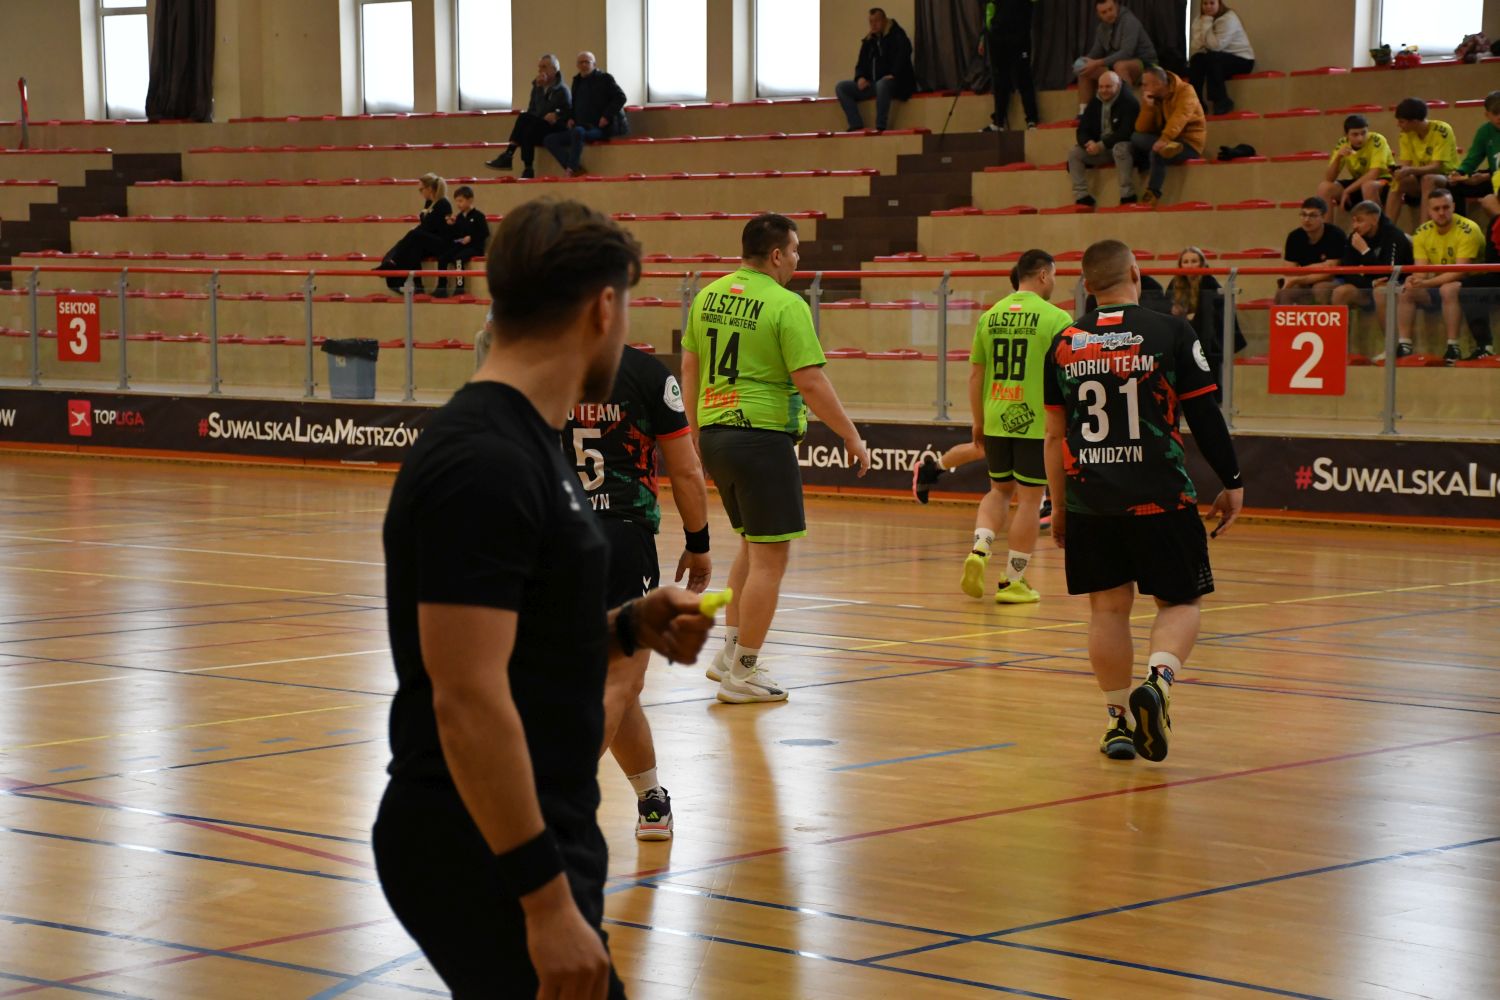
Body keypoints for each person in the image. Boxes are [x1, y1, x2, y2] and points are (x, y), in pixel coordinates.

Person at [374, 199, 715, 997]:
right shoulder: (483, 460)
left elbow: (520, 646)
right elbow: (466, 699)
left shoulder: (526, 439)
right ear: (604, 309)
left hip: (528, 832)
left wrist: (629, 624)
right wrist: (544, 901)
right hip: (485, 847)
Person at [1043, 238, 1244, 763]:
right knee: (1180, 601)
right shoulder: (1171, 331)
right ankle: (1158, 681)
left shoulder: (1064, 342)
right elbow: (1205, 415)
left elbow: (1054, 437)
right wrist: (1232, 480)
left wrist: (1059, 507)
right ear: (1136, 272)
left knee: (1108, 610)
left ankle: (1117, 722)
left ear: (1086, 285)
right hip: (1161, 498)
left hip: (1091, 502)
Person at [682, 213, 871, 704]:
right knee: (771, 560)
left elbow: (690, 366)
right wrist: (851, 435)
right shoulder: (787, 304)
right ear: (775, 255)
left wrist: (696, 431)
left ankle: (729, 655)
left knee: (751, 547)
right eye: (795, 250)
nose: (797, 259)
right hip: (761, 439)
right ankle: (744, 673)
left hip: (716, 434)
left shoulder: (708, 296)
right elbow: (811, 381)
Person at [565, 345, 712, 841]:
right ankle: (554, 802)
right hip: (621, 539)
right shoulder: (647, 373)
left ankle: (651, 799)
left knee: (615, 686)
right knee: (618, 683)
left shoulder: (543, 363)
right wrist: (699, 544)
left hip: (555, 538)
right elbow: (686, 470)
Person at [961, 250, 1075, 604]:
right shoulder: (1057, 318)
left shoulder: (990, 316)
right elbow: (1067, 375)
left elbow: (976, 374)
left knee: (998, 491)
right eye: (1053, 276)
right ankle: (1013, 581)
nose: (1054, 282)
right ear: (1042, 275)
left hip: (996, 417)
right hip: (1036, 423)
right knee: (1030, 500)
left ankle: (980, 548)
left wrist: (978, 420)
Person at [1397, 188, 1489, 364]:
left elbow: (1461, 271)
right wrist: (1415, 280)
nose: (1441, 212)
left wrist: (1427, 282)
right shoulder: (1421, 232)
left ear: (1453, 206)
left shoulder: (1468, 229)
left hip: (1474, 287)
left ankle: (1453, 347)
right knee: (1406, 291)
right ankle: (1404, 346)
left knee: (1448, 289)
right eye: (1436, 208)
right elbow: (1421, 271)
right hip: (1437, 284)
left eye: (1446, 207)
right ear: (1429, 211)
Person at [1330, 200, 1414, 358]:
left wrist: (1365, 251)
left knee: (1381, 291)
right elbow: (1348, 272)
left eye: (1360, 220)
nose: (1355, 226)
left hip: (1399, 288)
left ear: (1374, 219)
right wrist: (1370, 282)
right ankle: (1340, 350)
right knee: (1340, 292)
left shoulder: (1394, 236)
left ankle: (1392, 348)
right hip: (1370, 285)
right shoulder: (1354, 238)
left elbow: (1389, 273)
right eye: (1353, 221)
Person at [544, 51, 629, 177]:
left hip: (600, 128)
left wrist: (606, 116)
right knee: (549, 139)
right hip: (580, 127)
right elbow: (574, 104)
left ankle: (571, 170)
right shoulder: (577, 81)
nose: (584, 65)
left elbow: (621, 97)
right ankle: (575, 168)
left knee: (578, 131)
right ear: (577, 65)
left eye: (587, 62)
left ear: (594, 64)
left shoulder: (605, 78)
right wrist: (571, 118)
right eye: (581, 62)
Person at [1132, 66, 1207, 206]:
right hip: (1168, 140)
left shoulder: (1186, 91)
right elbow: (1141, 128)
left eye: (1145, 84)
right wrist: (1148, 107)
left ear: (1158, 84)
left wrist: (1164, 139)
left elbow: (1180, 118)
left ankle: (1153, 193)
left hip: (1189, 143)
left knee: (1157, 153)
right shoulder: (1154, 97)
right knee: (1136, 137)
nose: (1142, 88)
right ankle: (1167, 148)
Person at [485, 54, 570, 179]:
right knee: (527, 126)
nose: (540, 70)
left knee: (526, 120)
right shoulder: (537, 87)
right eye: (539, 67)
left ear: (554, 69)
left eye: (544, 67)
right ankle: (527, 168)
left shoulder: (561, 90)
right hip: (539, 125)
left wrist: (539, 89)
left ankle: (509, 154)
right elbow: (532, 110)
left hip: (555, 127)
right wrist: (538, 89)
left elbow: (546, 111)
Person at [835, 7, 916, 133]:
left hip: (896, 82)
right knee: (842, 87)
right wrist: (860, 77)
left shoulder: (897, 35)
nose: (873, 24)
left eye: (876, 21)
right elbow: (860, 64)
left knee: (882, 84)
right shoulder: (869, 41)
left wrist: (894, 73)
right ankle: (856, 124)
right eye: (871, 22)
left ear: (884, 21)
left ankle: (880, 127)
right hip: (873, 83)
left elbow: (904, 54)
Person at [1068, 69, 1141, 206]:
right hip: (1102, 148)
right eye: (1101, 87)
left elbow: (1126, 132)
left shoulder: (1129, 102)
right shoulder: (1095, 102)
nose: (1103, 90)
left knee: (1120, 148)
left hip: (1126, 148)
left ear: (1118, 86)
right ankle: (1082, 196)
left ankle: (1127, 195)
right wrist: (1088, 142)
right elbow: (1082, 129)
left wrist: (1101, 145)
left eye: (1108, 86)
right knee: (1075, 153)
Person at [1385, 98, 1459, 226]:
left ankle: (1423, 229)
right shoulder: (1405, 135)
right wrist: (1398, 172)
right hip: (1418, 177)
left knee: (1428, 179)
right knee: (1398, 181)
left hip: (1447, 177)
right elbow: (1406, 164)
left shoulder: (1442, 130)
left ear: (1414, 122)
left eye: (1401, 121)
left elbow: (1436, 167)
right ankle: (1387, 229)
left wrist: (1410, 170)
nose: (1398, 125)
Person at [1075, 0, 1156, 115]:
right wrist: (1083, 62)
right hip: (1115, 65)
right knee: (1085, 70)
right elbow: (1095, 52)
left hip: (1145, 64)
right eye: (1104, 12)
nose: (1108, 14)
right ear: (1098, 14)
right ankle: (1084, 113)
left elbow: (1126, 53)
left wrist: (1096, 63)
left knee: (1120, 65)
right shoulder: (1101, 29)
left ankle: (1127, 110)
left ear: (1117, 6)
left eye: (1110, 9)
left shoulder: (1129, 21)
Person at [376, 173, 452, 294]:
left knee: (413, 235)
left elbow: (431, 227)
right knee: (412, 247)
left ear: (429, 188)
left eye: (421, 189)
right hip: (429, 240)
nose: (420, 193)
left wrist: (418, 230)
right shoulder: (429, 203)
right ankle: (415, 283)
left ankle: (392, 262)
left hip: (442, 243)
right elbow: (425, 226)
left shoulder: (443, 203)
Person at [1316, 114, 1395, 224]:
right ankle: (1328, 231)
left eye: (1363, 133)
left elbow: (1374, 174)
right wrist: (1338, 157)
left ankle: (1381, 228)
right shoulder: (1343, 143)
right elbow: (1329, 178)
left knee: (1368, 186)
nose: (1360, 138)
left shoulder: (1377, 140)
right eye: (1355, 134)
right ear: (1346, 135)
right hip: (1359, 182)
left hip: (1384, 181)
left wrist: (1348, 190)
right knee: (1324, 188)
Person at [979, 0, 1041, 132]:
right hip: (997, 37)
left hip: (1020, 36)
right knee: (1000, 79)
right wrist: (985, 35)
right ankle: (998, 122)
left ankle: (1032, 120)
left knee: (1024, 77)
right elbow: (989, 8)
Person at [1187, 0, 1254, 116]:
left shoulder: (1228, 18)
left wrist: (1207, 23)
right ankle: (1197, 103)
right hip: (1218, 57)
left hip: (1243, 60)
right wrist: (1205, 24)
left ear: (1219, 4)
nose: (1208, 7)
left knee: (1213, 58)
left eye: (1212, 3)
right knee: (1197, 59)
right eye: (1205, 4)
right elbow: (1196, 45)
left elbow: (1216, 46)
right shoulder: (1199, 20)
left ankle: (1222, 101)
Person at [1275, 197, 1346, 305]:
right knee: (1285, 292)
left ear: (1323, 217)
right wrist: (1319, 267)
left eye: (1312, 215)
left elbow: (1329, 272)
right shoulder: (1294, 236)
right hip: (1305, 279)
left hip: (1335, 280)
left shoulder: (1335, 234)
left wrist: (1298, 276)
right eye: (1303, 214)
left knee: (1320, 288)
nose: (1307, 219)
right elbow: (1289, 270)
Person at [1447, 90, 1500, 218]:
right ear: (1487, 115)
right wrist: (1460, 172)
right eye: (1495, 113)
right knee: (1454, 186)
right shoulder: (1485, 131)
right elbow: (1472, 159)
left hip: (1494, 177)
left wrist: (1487, 176)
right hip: (1493, 179)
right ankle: (1460, 225)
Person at [435, 185, 490, 299]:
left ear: (470, 200)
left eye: (461, 201)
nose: (458, 204)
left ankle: (460, 288)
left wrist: (471, 238)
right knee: (442, 258)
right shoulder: (459, 217)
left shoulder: (478, 216)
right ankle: (441, 288)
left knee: (458, 259)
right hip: (461, 246)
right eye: (456, 201)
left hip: (475, 248)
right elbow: (454, 236)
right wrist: (450, 225)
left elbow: (484, 233)